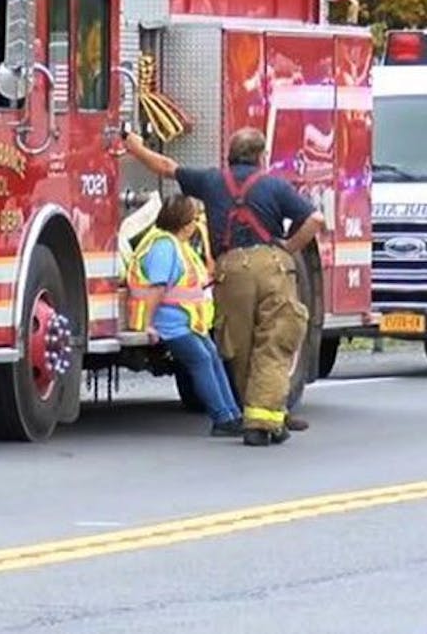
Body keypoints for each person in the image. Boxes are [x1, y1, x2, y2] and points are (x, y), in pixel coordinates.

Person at [122, 126, 324, 446]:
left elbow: (165, 167)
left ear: (229, 156)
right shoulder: (274, 185)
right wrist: (288, 247)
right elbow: (315, 220)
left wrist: (135, 148)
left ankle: (255, 414)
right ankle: (264, 419)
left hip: (231, 273)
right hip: (271, 266)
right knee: (273, 342)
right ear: (261, 157)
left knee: (238, 346)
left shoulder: (212, 181)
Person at [126, 194, 244, 436]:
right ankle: (222, 418)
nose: (196, 224)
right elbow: (158, 288)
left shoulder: (177, 245)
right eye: (194, 219)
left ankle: (232, 414)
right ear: (185, 223)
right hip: (169, 324)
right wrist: (148, 325)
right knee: (201, 359)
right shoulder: (163, 247)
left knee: (212, 355)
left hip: (186, 323)